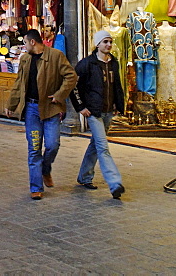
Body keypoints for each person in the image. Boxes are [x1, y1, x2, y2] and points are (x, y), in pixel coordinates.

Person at [7, 28, 77, 200]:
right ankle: (36, 187)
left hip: (51, 108)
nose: (24, 47)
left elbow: (71, 76)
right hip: (31, 110)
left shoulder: (55, 56)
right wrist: (12, 104)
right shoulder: (25, 60)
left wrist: (59, 95)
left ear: (32, 42)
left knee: (53, 144)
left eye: (24, 43)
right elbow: (19, 84)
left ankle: (46, 169)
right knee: (34, 148)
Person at [71, 31, 126, 199]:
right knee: (103, 147)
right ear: (98, 44)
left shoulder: (113, 63)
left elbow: (117, 84)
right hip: (94, 112)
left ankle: (84, 177)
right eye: (105, 42)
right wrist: (80, 107)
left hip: (108, 110)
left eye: (110, 42)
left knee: (95, 144)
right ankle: (114, 182)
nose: (108, 45)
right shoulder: (86, 64)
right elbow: (73, 86)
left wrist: (118, 104)